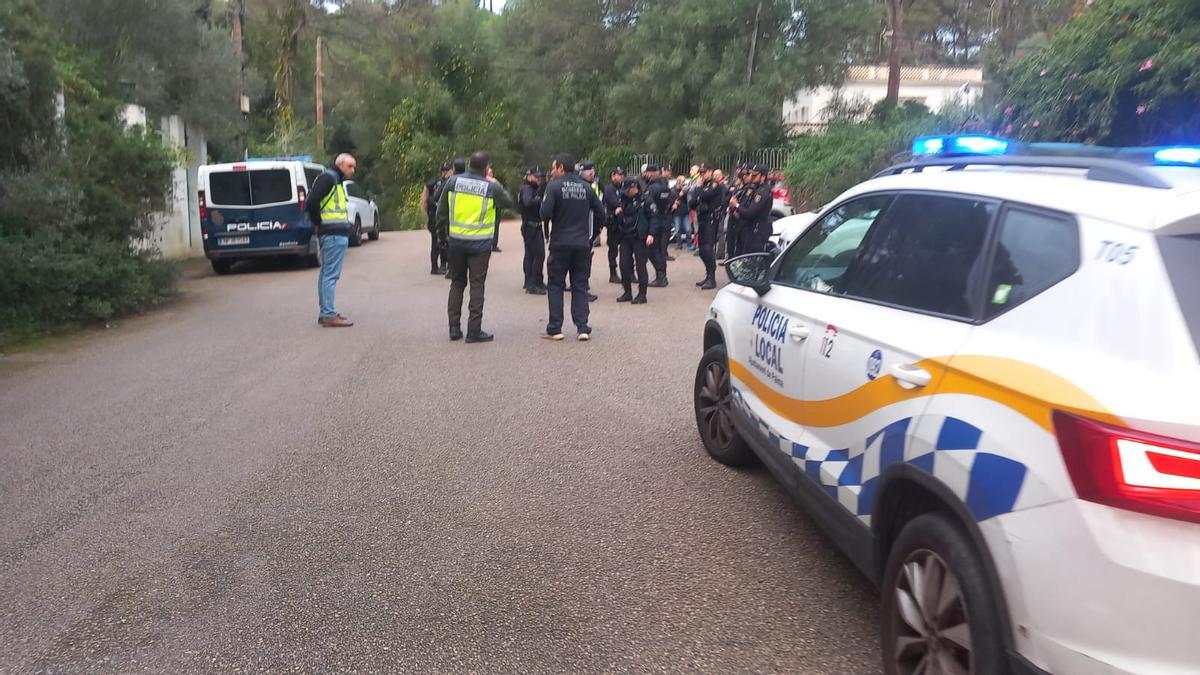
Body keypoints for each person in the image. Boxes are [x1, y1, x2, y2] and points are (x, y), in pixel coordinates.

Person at [437, 151, 514, 343]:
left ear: (470, 164)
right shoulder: (491, 186)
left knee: (457, 283)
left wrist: (443, 238)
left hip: (456, 242)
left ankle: (454, 328)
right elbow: (509, 202)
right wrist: (495, 182)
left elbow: (441, 213)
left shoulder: (453, 182)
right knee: (477, 285)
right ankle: (474, 330)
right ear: (486, 168)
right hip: (480, 245)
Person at [539, 154, 606, 341]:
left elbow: (544, 213)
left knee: (555, 285)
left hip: (560, 243)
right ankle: (582, 327)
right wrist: (593, 235)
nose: (552, 171)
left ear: (561, 168)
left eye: (554, 167)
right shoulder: (587, 188)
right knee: (580, 285)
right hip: (582, 244)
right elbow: (602, 214)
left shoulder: (554, 187)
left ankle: (555, 328)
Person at [308, 153, 357, 328]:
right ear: (340, 165)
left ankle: (325, 312)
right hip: (333, 234)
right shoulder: (328, 178)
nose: (353, 170)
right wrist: (318, 223)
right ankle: (328, 314)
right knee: (330, 275)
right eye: (350, 166)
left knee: (326, 274)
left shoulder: (334, 179)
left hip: (333, 233)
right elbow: (312, 202)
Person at [615, 180, 650, 304]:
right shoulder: (623, 201)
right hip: (625, 236)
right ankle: (627, 292)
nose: (626, 193)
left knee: (641, 265)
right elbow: (619, 220)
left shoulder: (645, 200)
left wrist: (651, 234)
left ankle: (642, 294)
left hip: (639, 236)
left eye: (628, 190)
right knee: (624, 264)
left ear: (634, 187)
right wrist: (618, 214)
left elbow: (653, 217)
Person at [692, 163, 725, 290]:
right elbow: (692, 201)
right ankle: (708, 275)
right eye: (700, 172)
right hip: (702, 219)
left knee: (707, 249)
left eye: (704, 172)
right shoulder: (703, 186)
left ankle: (712, 278)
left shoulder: (715, 185)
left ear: (710, 172)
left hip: (711, 220)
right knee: (701, 250)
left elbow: (706, 195)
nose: (702, 175)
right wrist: (699, 192)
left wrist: (700, 190)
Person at [729, 163, 775, 255]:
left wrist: (736, 205)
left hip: (757, 232)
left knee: (751, 258)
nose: (752, 177)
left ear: (762, 176)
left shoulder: (763, 192)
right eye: (751, 174)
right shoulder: (755, 188)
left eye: (755, 175)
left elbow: (750, 212)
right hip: (749, 230)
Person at [519, 168, 547, 295]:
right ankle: (533, 283)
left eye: (539, 177)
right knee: (538, 255)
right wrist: (540, 200)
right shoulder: (527, 189)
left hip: (534, 225)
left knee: (531, 255)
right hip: (531, 226)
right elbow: (527, 202)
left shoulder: (533, 189)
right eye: (535, 177)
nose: (538, 179)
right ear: (529, 176)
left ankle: (533, 281)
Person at [643, 165, 672, 287]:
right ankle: (662, 274)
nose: (645, 175)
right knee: (661, 250)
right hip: (666, 220)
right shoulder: (665, 186)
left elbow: (647, 204)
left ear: (651, 173)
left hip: (655, 221)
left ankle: (661, 276)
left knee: (653, 250)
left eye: (647, 173)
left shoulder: (652, 188)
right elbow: (671, 201)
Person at [578, 160, 601, 302]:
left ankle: (580, 287)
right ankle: (583, 289)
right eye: (592, 172)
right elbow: (598, 209)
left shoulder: (575, 185)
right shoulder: (588, 187)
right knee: (584, 261)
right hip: (586, 229)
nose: (594, 175)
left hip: (578, 230)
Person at [423, 163, 451, 275]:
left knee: (436, 243)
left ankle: (437, 266)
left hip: (432, 220)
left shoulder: (431, 189)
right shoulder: (446, 184)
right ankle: (439, 266)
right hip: (439, 220)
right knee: (441, 243)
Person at [601, 168, 625, 284]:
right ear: (613, 176)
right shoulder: (609, 189)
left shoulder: (622, 188)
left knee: (626, 249)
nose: (620, 177)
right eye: (618, 175)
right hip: (613, 223)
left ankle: (629, 272)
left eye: (621, 175)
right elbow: (615, 202)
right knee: (613, 249)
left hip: (623, 222)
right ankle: (613, 273)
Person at [669, 175, 692, 251]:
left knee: (688, 229)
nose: (683, 183)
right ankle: (679, 244)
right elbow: (671, 200)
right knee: (678, 229)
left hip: (685, 212)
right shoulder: (673, 190)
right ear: (678, 182)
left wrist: (684, 193)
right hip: (677, 213)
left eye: (684, 182)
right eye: (682, 182)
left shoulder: (686, 189)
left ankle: (689, 244)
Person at [487, 166, 503, 253]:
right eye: (489, 173)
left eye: (491, 173)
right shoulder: (483, 182)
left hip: (496, 207)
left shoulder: (495, 183)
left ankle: (494, 245)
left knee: (496, 226)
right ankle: (487, 244)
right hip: (487, 209)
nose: (491, 174)